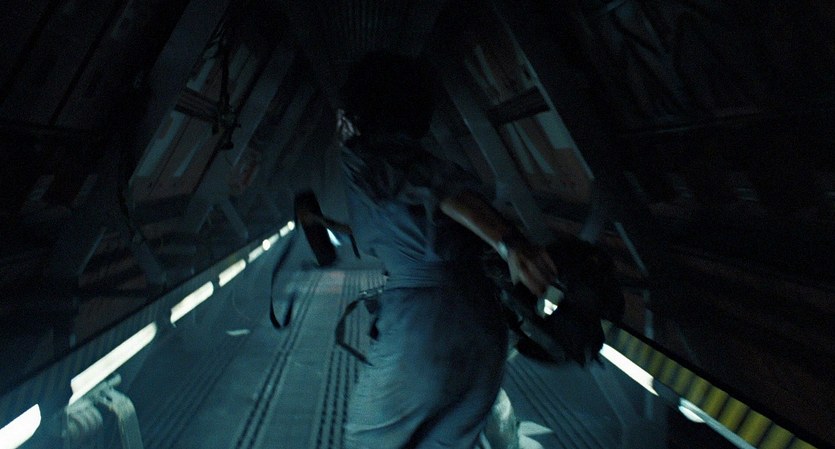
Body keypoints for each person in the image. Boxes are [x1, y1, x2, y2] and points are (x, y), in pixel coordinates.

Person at [337, 51, 558, 449]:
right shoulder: (416, 163)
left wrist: (509, 242)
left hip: (424, 327)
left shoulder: (365, 157)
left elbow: (438, 190)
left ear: (359, 110)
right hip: (482, 323)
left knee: (368, 440)